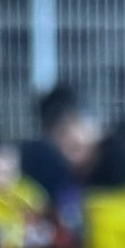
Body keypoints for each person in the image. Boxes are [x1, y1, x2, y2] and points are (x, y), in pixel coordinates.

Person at [18, 84, 97, 220]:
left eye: (79, 124)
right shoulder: (41, 168)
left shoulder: (111, 162)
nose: (76, 136)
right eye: (62, 132)